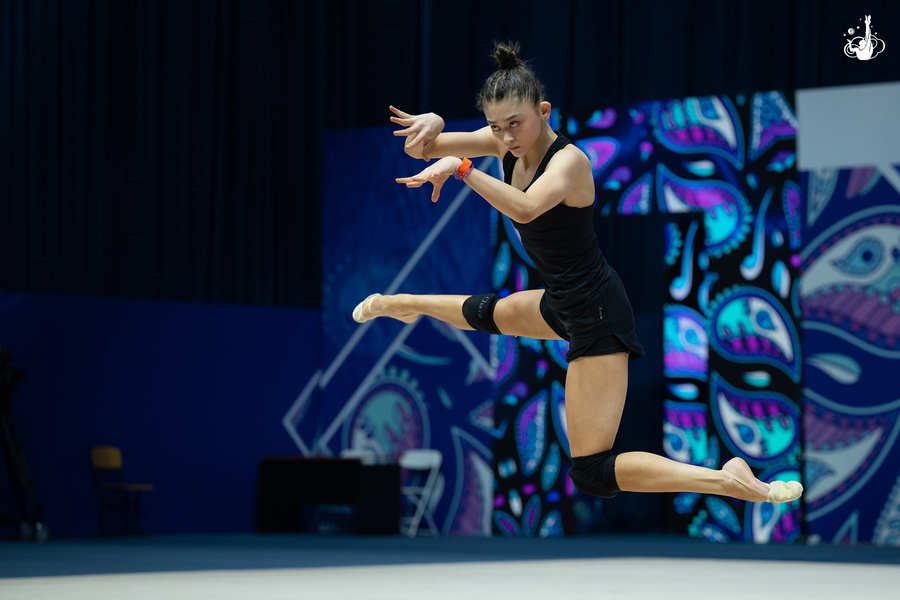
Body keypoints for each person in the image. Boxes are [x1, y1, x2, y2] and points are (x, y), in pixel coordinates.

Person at [354, 42, 802, 504]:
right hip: (563, 299)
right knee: (492, 314)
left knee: (591, 470)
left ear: (543, 111)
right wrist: (434, 126)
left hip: (595, 309)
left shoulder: (569, 160)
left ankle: (726, 479)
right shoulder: (503, 142)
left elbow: (525, 208)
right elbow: (421, 149)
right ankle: (403, 305)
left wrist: (463, 168)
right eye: (496, 127)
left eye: (515, 124)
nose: (506, 137)